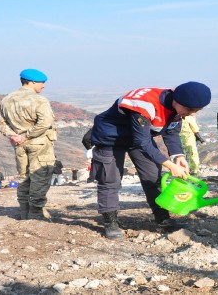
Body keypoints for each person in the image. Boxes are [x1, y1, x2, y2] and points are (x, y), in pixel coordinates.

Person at [90, 81, 211, 239]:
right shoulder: (145, 105)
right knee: (110, 179)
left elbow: (172, 133)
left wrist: (178, 156)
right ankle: (110, 222)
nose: (192, 114)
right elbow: (143, 143)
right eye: (189, 110)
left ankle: (163, 219)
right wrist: (170, 165)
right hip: (111, 138)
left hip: (139, 139)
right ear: (177, 100)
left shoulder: (177, 107)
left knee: (153, 176)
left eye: (197, 111)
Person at [0, 68, 57, 220]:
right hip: (39, 143)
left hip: (18, 145)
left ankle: (24, 211)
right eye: (42, 83)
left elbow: (1, 123)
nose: (43, 86)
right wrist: (26, 136)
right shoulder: (39, 100)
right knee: (40, 177)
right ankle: (36, 213)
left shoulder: (6, 100)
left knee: (23, 177)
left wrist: (14, 136)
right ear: (32, 82)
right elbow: (45, 122)